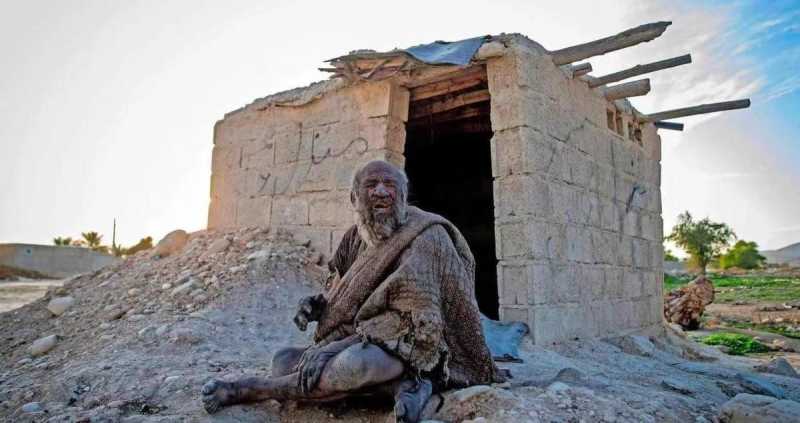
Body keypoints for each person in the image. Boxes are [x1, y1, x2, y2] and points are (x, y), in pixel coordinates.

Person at [202, 160, 503, 422]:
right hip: (359, 340)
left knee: (355, 365)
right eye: (371, 185)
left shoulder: (427, 236)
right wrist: (318, 306)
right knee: (282, 361)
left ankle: (252, 389)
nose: (381, 191)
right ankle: (401, 387)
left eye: (390, 185)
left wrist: (331, 349)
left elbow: (415, 325)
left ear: (402, 195)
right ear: (354, 197)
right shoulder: (355, 237)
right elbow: (342, 292)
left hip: (411, 348)